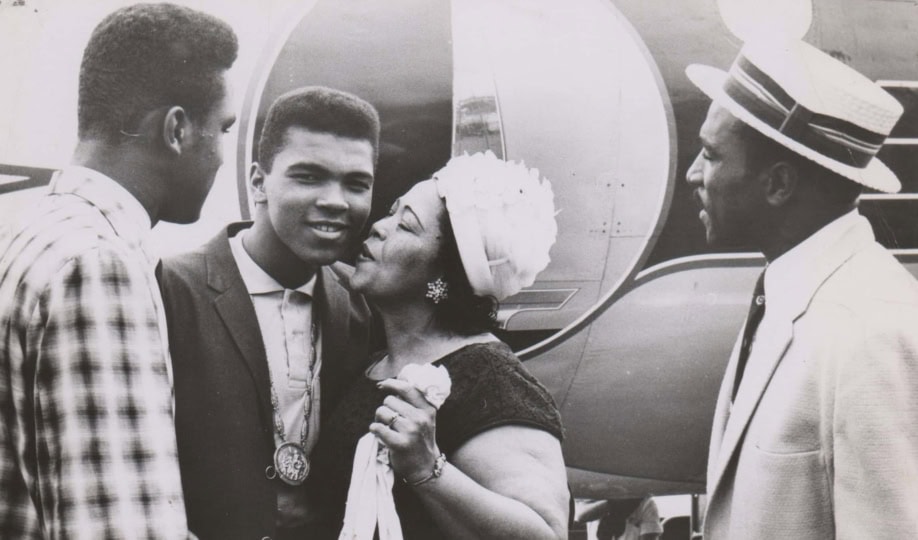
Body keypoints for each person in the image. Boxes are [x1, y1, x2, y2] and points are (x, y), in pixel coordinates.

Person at [0, 4, 238, 538]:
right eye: (222, 129)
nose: (222, 155)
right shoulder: (98, 267)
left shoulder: (37, 229)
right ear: (176, 130)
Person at [685, 38, 918, 538]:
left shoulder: (873, 333)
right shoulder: (795, 293)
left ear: (778, 185)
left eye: (710, 155)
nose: (693, 174)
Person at [308, 151, 569, 539]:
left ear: (446, 274)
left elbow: (546, 533)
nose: (379, 226)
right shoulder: (375, 362)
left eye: (406, 225)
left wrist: (426, 468)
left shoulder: (490, 378)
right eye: (391, 212)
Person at [159, 86, 382, 540]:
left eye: (356, 184)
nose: (337, 201)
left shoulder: (360, 302)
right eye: (309, 177)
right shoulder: (171, 286)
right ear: (258, 182)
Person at [577, 497, 662, 540]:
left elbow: (649, 537)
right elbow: (580, 516)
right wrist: (615, 503)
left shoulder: (646, 503)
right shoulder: (596, 496)